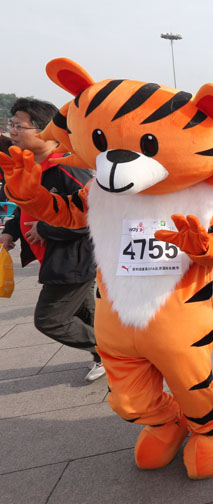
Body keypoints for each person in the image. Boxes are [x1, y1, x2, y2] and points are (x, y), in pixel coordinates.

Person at [0, 97, 103, 382]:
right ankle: (110, 356)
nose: (13, 131)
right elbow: (25, 205)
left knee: (50, 319)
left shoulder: (70, 168)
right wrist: (12, 229)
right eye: (11, 124)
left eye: (19, 125)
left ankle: (111, 353)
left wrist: (44, 230)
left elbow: (89, 217)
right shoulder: (32, 166)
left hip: (75, 259)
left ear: (44, 130)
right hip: (56, 257)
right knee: (84, 313)